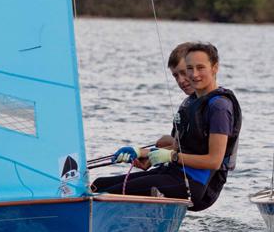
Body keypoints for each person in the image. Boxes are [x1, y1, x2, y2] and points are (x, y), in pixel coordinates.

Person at [92, 42, 241, 212]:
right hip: (174, 174)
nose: (191, 76)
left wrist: (172, 156)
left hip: (194, 185)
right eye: (188, 70)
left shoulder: (219, 107)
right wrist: (140, 152)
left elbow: (214, 161)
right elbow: (179, 147)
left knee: (105, 194)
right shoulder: (191, 103)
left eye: (198, 68)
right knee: (97, 186)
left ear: (214, 68)